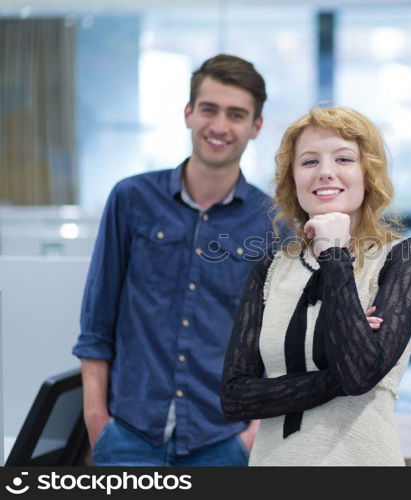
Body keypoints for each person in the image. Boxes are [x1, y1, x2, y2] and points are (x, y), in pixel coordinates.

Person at [72, 54, 275, 466]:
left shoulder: (272, 222)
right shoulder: (131, 199)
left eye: (236, 114)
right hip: (127, 435)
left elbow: (275, 341)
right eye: (209, 109)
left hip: (223, 442)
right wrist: (96, 420)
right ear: (188, 113)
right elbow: (97, 321)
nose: (219, 126)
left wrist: (252, 435)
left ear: (256, 127)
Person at [220, 106, 411, 466]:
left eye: (343, 158)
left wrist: (335, 253)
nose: (325, 173)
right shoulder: (271, 268)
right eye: (309, 162)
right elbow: (236, 397)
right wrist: (339, 372)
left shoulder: (406, 257)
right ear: (293, 178)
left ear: (369, 172)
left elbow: (361, 374)